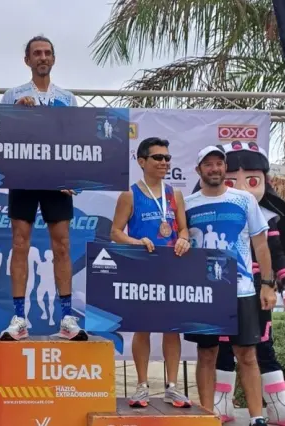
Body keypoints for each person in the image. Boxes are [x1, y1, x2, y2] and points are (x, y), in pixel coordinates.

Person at [210, 141, 285, 426]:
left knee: (263, 345)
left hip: (257, 292)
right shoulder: (210, 213)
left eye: (252, 180)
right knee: (221, 345)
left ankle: (277, 403)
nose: (243, 188)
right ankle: (220, 401)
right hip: (221, 289)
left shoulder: (267, 220)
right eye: (233, 181)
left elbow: (278, 257)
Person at [0, 35, 86, 341]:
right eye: (37, 53)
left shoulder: (68, 98)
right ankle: (19, 318)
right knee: (20, 243)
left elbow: (75, 141)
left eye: (47, 53)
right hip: (23, 175)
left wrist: (73, 176)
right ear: (27, 60)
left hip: (56, 180)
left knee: (61, 245)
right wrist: (17, 117)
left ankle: (66, 318)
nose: (43, 57)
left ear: (54, 59)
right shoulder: (13, 95)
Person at [184, 146, 276, 426]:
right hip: (203, 291)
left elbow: (261, 244)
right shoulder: (187, 204)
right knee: (206, 353)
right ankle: (207, 417)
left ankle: (257, 417)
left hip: (242, 288)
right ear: (199, 170)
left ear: (225, 168)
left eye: (219, 164)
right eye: (208, 164)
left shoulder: (244, 200)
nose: (214, 169)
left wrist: (268, 284)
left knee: (247, 355)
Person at [110, 137, 192, 408]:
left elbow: (183, 229)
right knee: (142, 328)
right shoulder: (130, 195)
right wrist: (136, 242)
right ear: (142, 161)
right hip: (141, 270)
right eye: (158, 157)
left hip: (170, 269)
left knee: (172, 329)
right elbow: (115, 232)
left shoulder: (174, 194)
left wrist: (184, 238)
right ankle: (142, 386)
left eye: (167, 158)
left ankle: (172, 387)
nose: (164, 162)